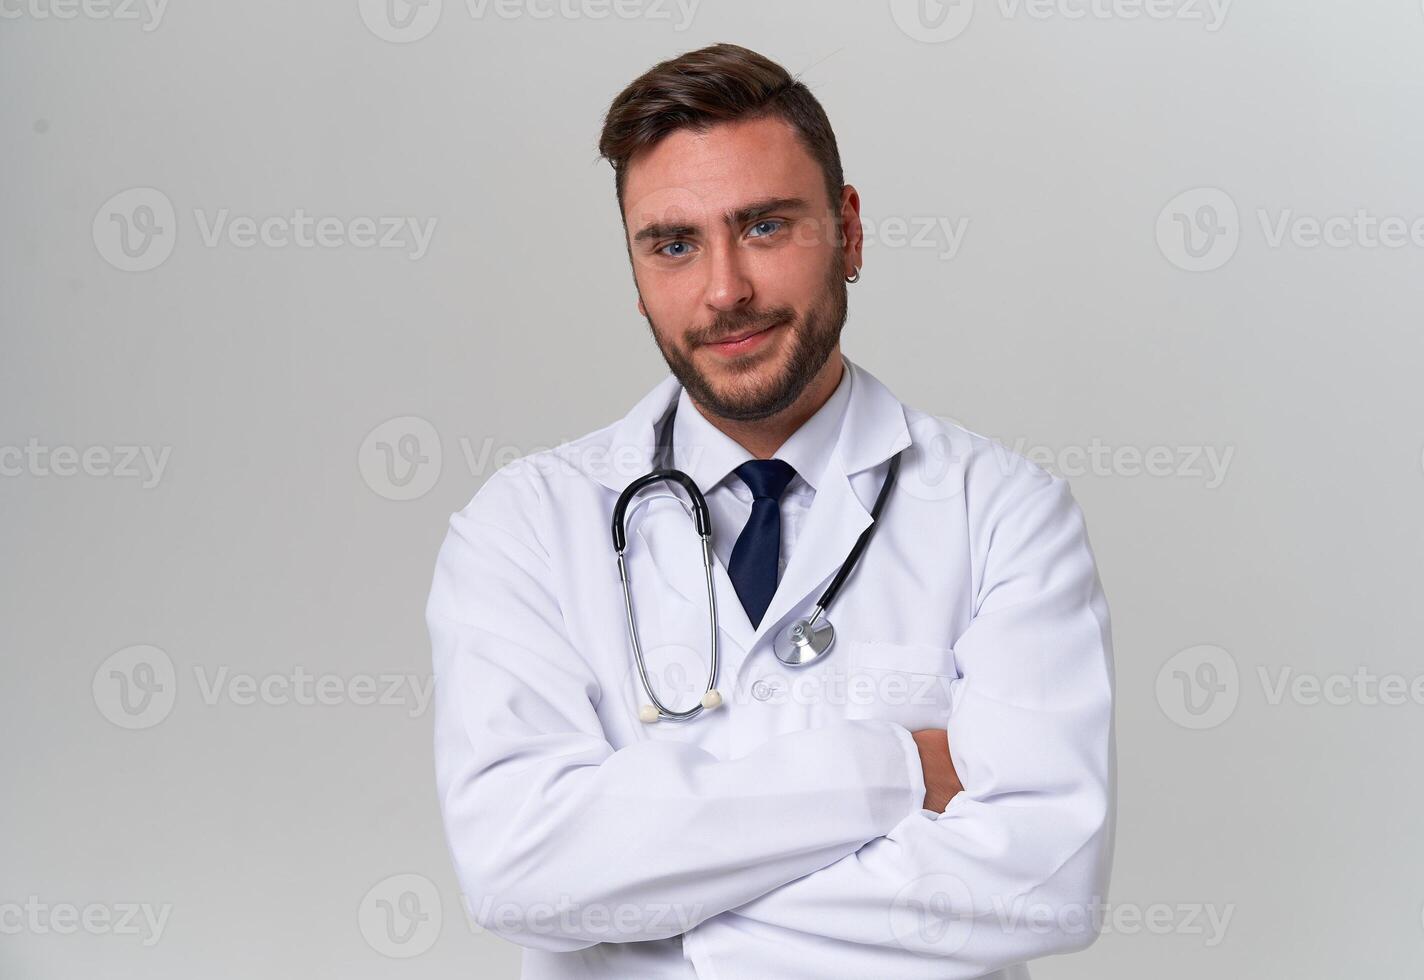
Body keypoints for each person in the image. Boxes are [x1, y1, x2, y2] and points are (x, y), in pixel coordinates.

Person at [428, 42, 1115, 980]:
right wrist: (897, 771)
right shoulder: (523, 529)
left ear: (850, 231)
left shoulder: (1001, 513)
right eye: (673, 244)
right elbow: (520, 875)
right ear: (636, 277)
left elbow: (1049, 878)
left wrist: (658, 913)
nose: (724, 291)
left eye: (763, 226)